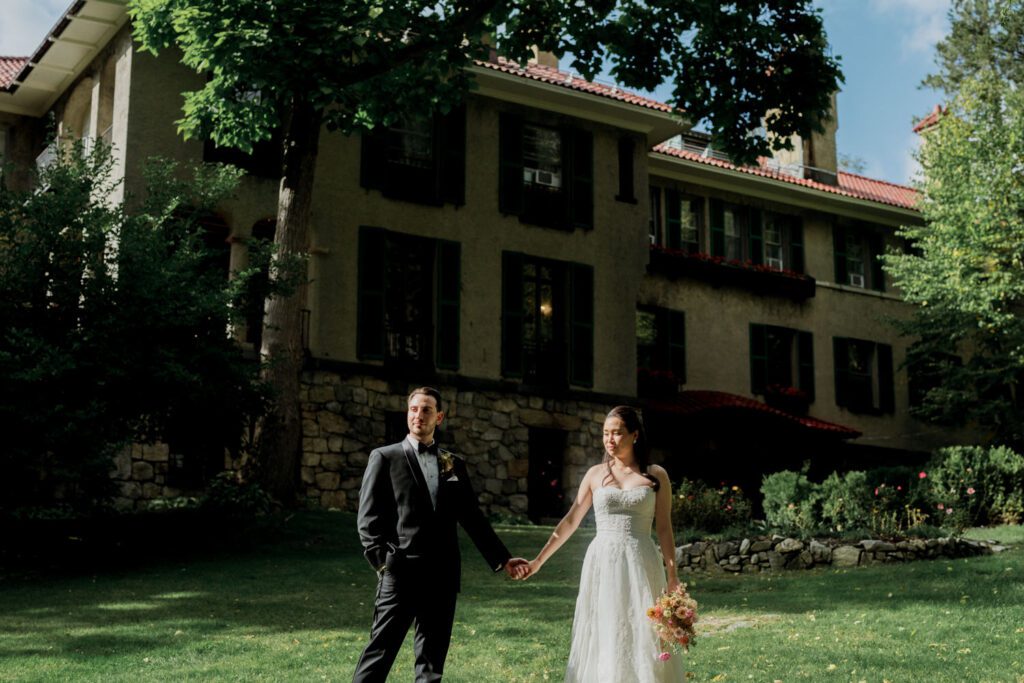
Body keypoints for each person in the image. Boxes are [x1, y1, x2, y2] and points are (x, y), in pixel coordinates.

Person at [352, 387, 529, 683]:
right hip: (400, 572)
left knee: (432, 664)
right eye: (413, 409)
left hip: (443, 575)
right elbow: (367, 519)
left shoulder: (452, 463)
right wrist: (384, 563)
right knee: (379, 654)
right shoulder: (384, 457)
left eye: (426, 410)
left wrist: (503, 559)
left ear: (440, 417)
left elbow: (472, 517)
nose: (418, 415)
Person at [523, 405, 683, 682]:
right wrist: (538, 561)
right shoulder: (595, 474)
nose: (610, 439)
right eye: (606, 433)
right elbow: (571, 520)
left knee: (641, 629)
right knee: (605, 627)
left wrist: (672, 576)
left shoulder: (655, 475)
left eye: (617, 433)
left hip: (641, 560)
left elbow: (665, 529)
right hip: (603, 561)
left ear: (634, 435)